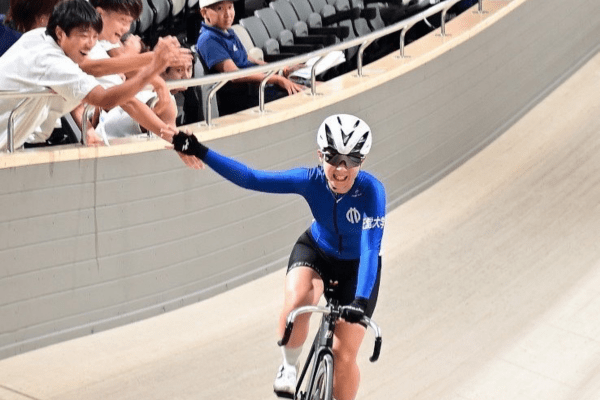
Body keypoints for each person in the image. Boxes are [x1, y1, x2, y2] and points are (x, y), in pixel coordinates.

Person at [169, 114, 385, 400]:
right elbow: (252, 178)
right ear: (320, 155)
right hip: (317, 251)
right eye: (333, 157)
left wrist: (360, 301)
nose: (341, 169)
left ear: (362, 161)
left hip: (357, 268)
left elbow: (370, 248)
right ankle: (289, 366)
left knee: (343, 356)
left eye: (352, 159)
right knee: (299, 301)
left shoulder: (371, 192)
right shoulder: (309, 181)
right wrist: (200, 151)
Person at [0, 0, 176, 151]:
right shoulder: (52, 61)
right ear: (59, 31)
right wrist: (153, 64)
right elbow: (104, 96)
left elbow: (126, 101)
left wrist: (175, 139)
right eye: (83, 35)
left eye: (94, 37)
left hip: (17, 139)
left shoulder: (40, 37)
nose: (90, 44)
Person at [195, 0, 306, 115]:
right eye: (220, 9)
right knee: (302, 95)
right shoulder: (208, 39)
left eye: (230, 7)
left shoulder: (228, 31)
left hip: (258, 87)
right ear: (204, 13)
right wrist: (277, 79)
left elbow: (248, 59)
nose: (228, 14)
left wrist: (280, 69)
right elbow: (234, 75)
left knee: (306, 82)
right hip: (244, 98)